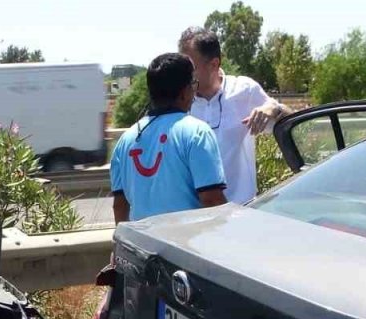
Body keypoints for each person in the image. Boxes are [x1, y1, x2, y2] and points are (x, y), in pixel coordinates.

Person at [110, 53, 227, 223]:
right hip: (185, 245)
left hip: (143, 246)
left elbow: (119, 207)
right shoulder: (197, 132)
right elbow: (212, 200)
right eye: (193, 84)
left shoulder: (124, 141)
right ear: (184, 92)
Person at [178, 27, 288, 204]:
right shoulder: (179, 99)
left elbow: (292, 123)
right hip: (195, 217)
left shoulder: (245, 90)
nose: (182, 74)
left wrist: (273, 108)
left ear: (214, 64)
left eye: (190, 67)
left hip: (241, 212)